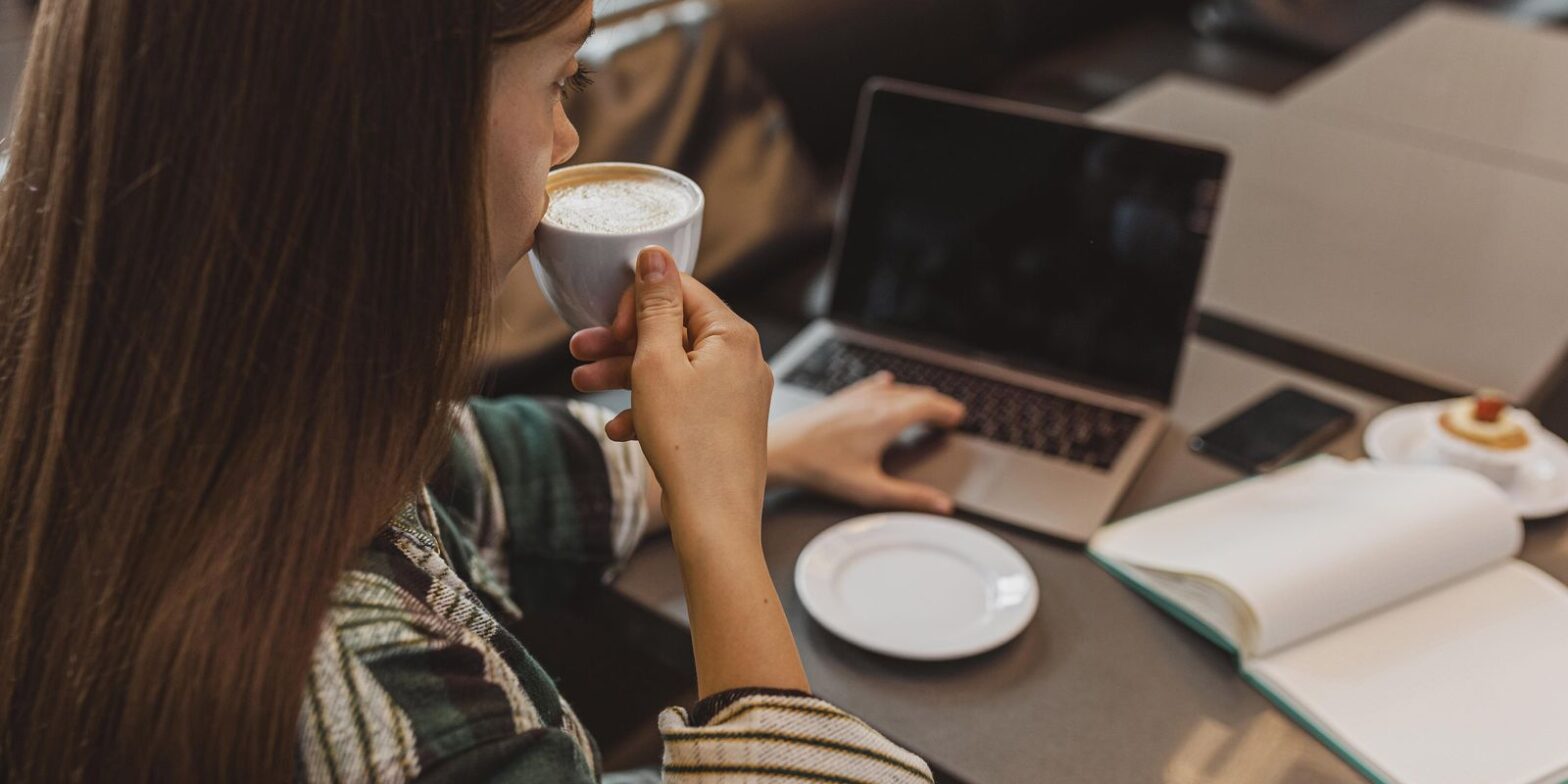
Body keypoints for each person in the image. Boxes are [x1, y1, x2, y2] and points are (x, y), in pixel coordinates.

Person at [0, 1, 967, 781]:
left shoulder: (159, 412)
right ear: (389, 132)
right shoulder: (414, 717)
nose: (566, 134)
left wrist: (770, 449)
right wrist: (720, 526)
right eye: (560, 80)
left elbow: (469, 468)